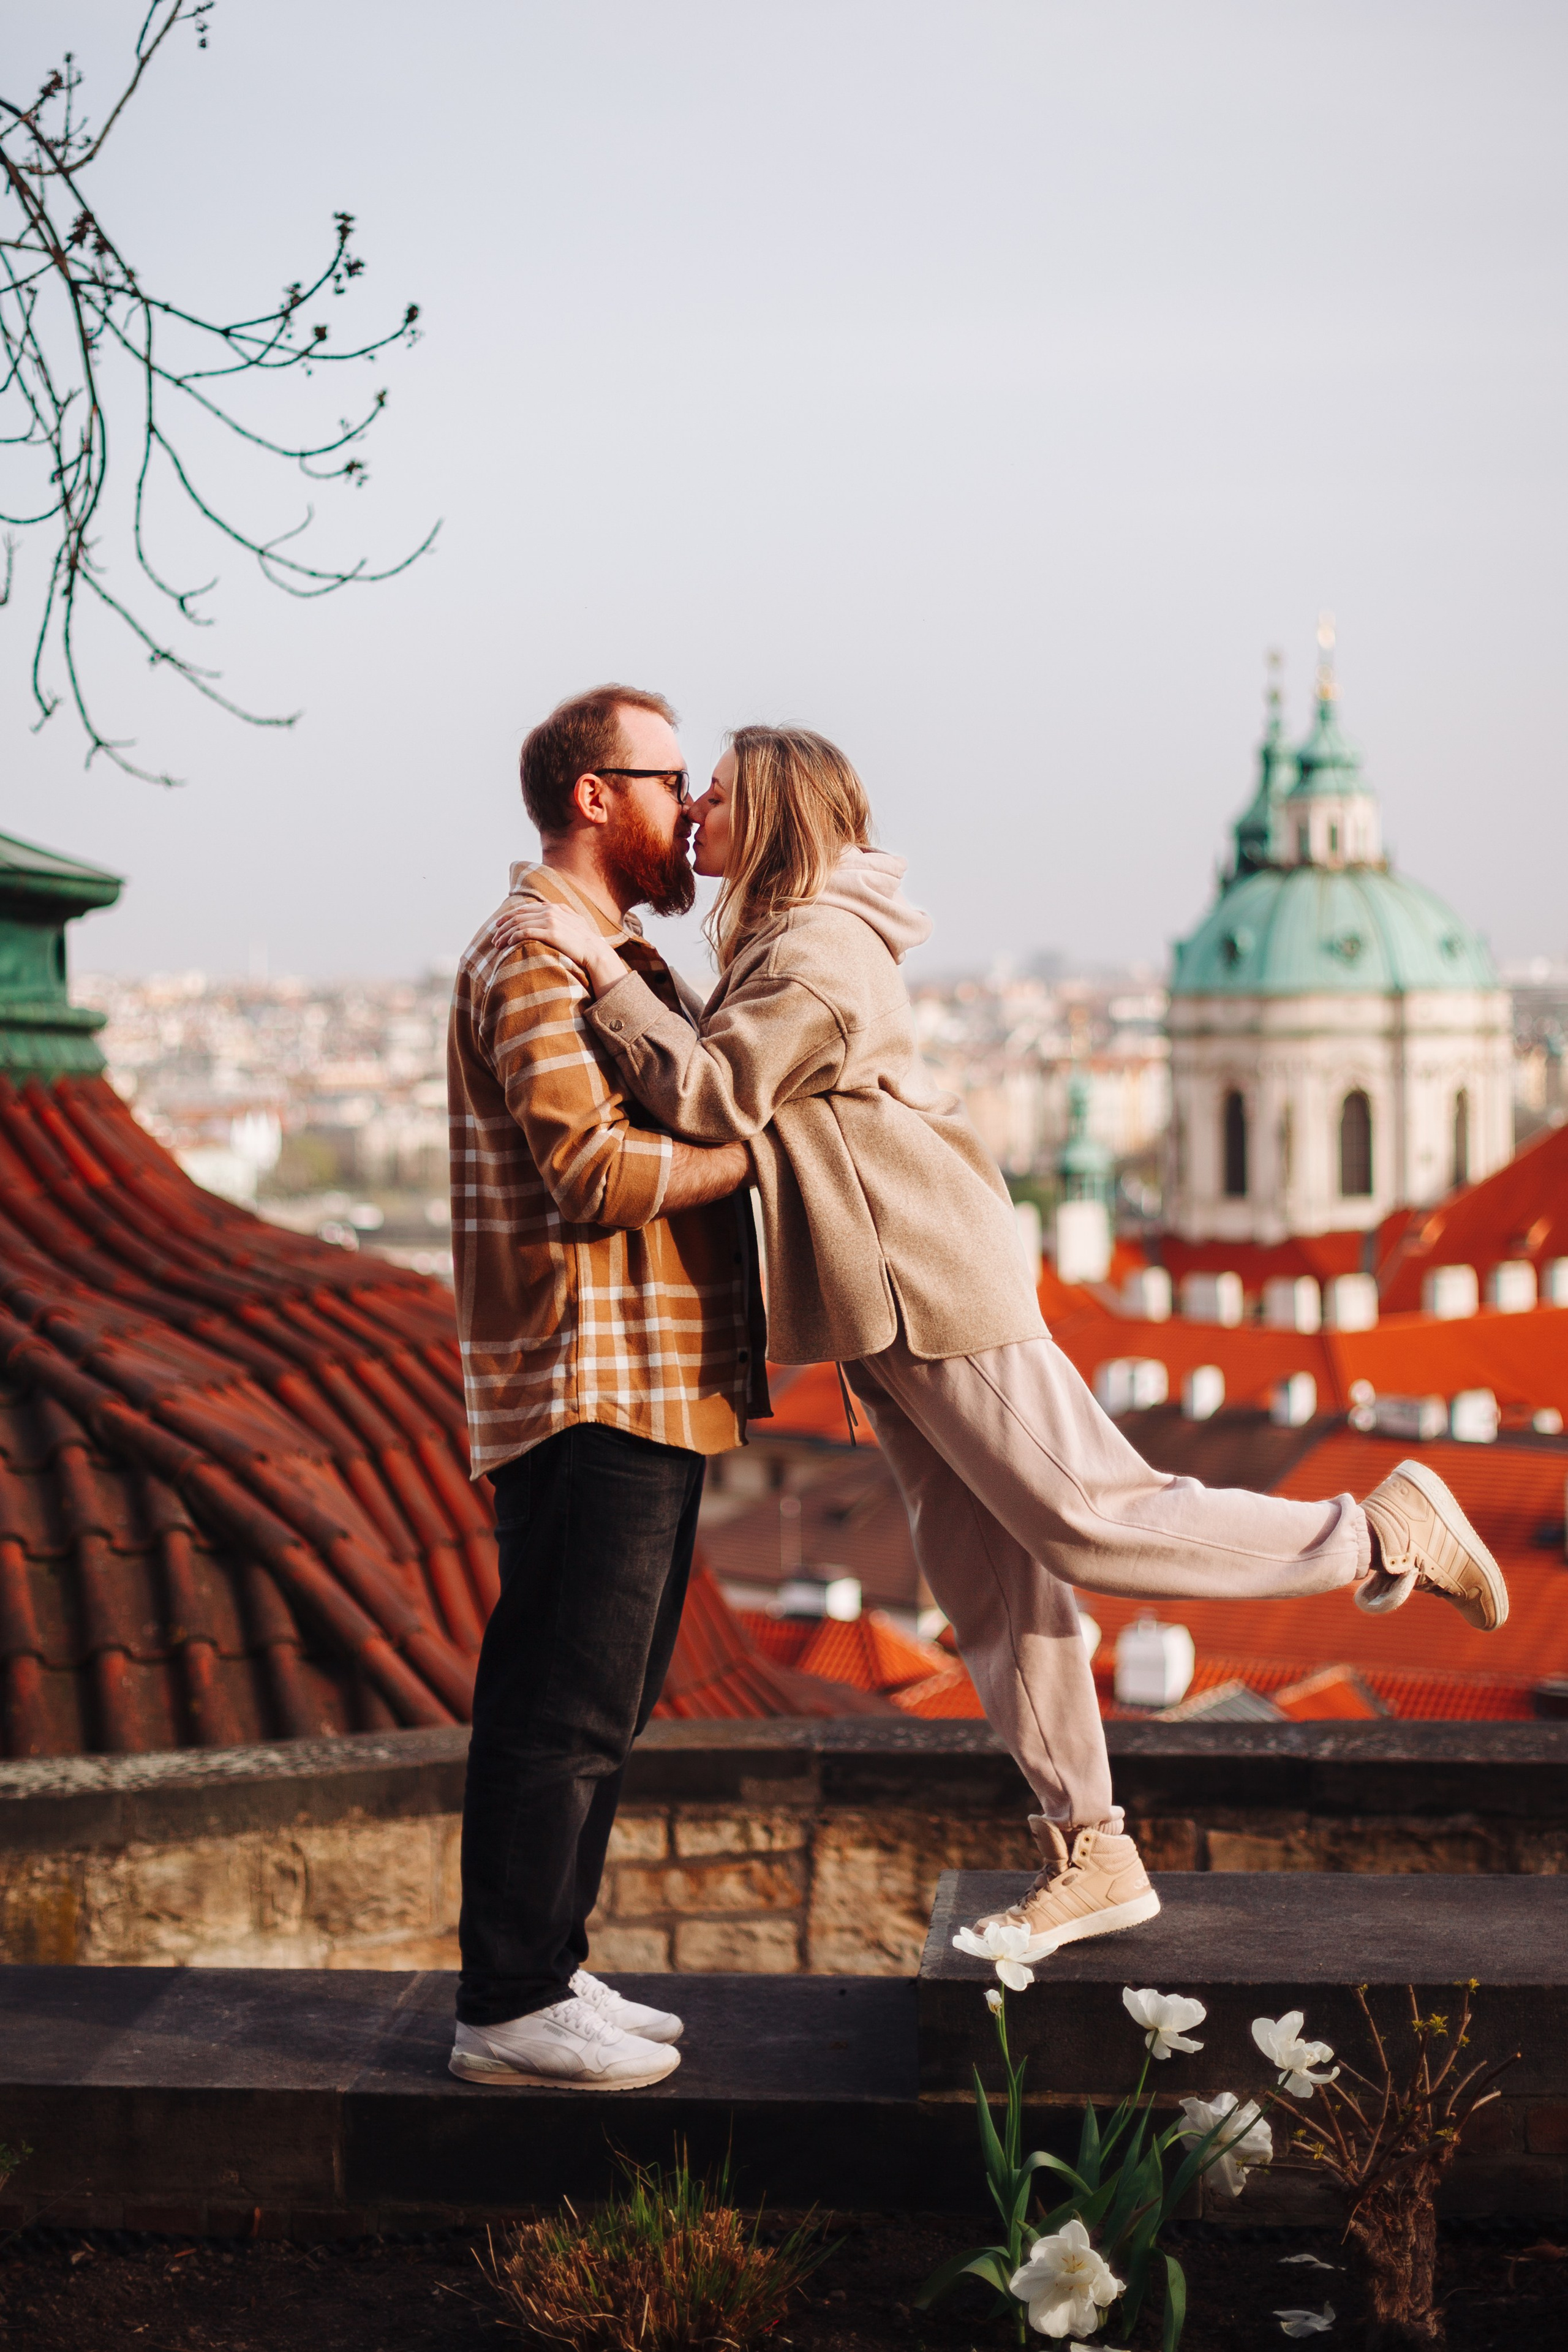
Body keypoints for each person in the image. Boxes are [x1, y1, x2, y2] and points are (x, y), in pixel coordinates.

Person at [496, 723, 1510, 1962]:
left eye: (712, 795)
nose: (694, 812)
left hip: (930, 1281)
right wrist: (635, 973)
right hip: (885, 1306)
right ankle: (1091, 1850)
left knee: (1090, 1514)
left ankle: (1379, 1528)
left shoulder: (813, 948)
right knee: (991, 1591)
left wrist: (597, 972)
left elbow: (709, 1096)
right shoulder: (786, 935)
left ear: (766, 814)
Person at [447, 684, 768, 2089]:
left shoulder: (608, 955)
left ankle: (548, 1964)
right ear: (594, 796)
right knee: (560, 1702)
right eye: (669, 780)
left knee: (604, 1695)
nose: (689, 812)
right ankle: (508, 2002)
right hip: (590, 1374)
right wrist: (763, 1158)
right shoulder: (534, 955)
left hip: (646, 1373)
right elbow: (586, 1175)